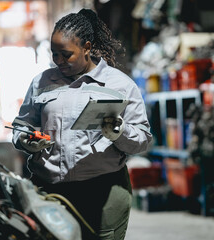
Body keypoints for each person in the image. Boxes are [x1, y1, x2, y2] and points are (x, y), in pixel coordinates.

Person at [11, 8, 152, 240]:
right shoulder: (42, 82)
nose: (58, 61)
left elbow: (142, 139)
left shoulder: (119, 85)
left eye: (66, 54)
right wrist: (26, 139)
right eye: (54, 54)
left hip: (102, 190)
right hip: (48, 188)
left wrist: (120, 131)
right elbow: (21, 125)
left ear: (86, 47)